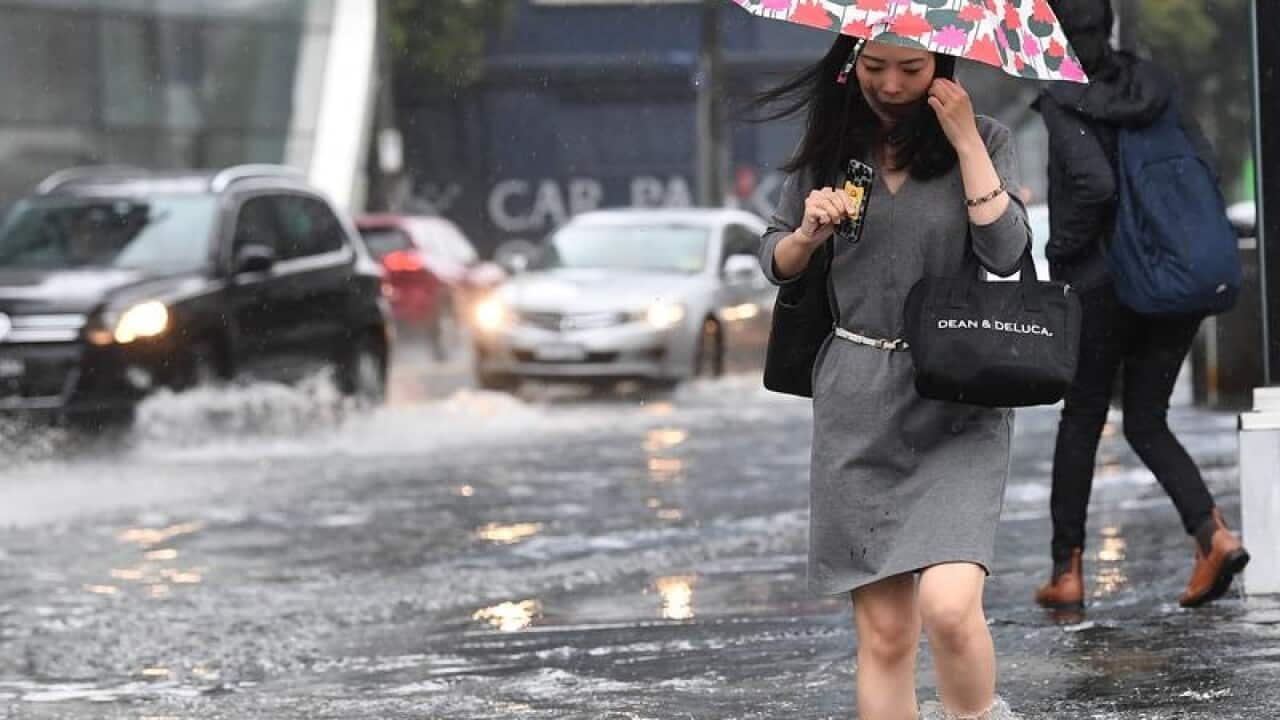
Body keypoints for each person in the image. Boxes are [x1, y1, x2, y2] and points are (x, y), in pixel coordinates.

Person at [755, 34, 1029, 719]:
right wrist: (807, 235)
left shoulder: (985, 138)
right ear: (852, 66)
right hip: (856, 399)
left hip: (956, 393)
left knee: (950, 609)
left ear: (942, 65)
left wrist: (965, 141)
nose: (893, 85)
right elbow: (775, 257)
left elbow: (1006, 253)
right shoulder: (831, 149)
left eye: (912, 68)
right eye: (875, 68)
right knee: (883, 634)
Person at [1033, 0, 1249, 611]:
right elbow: (1205, 164)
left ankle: (1067, 570)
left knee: (1081, 419)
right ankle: (1214, 535)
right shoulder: (1154, 86)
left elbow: (1093, 186)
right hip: (1172, 278)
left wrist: (1062, 252)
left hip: (1103, 284)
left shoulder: (1063, 96)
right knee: (1147, 419)